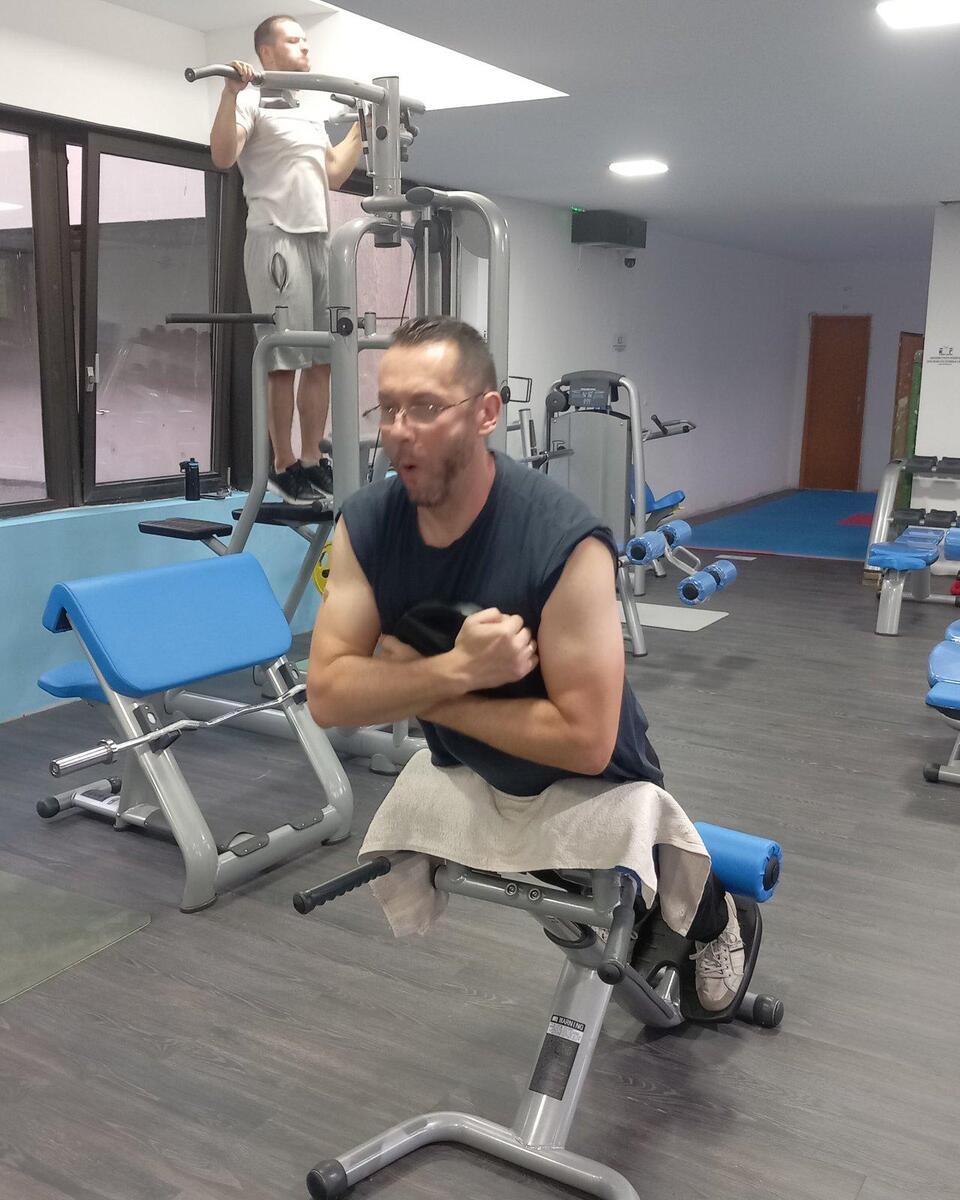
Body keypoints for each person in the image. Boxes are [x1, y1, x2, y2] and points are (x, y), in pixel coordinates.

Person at [307, 316, 745, 1010]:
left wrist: (409, 687)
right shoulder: (365, 525)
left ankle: (718, 918)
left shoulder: (566, 542)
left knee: (631, 876)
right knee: (572, 897)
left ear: (487, 413)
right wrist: (457, 672)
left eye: (425, 407)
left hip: (597, 776)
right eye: (386, 409)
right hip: (474, 765)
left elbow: (585, 739)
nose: (398, 431)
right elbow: (330, 695)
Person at [209, 15, 363, 504]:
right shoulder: (250, 102)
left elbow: (333, 174)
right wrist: (230, 93)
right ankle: (283, 464)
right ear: (267, 52)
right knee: (284, 358)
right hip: (276, 239)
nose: (305, 49)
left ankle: (312, 460)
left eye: (306, 41)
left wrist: (365, 128)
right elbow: (222, 156)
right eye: (294, 41)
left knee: (324, 357)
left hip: (319, 240)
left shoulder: (309, 111)